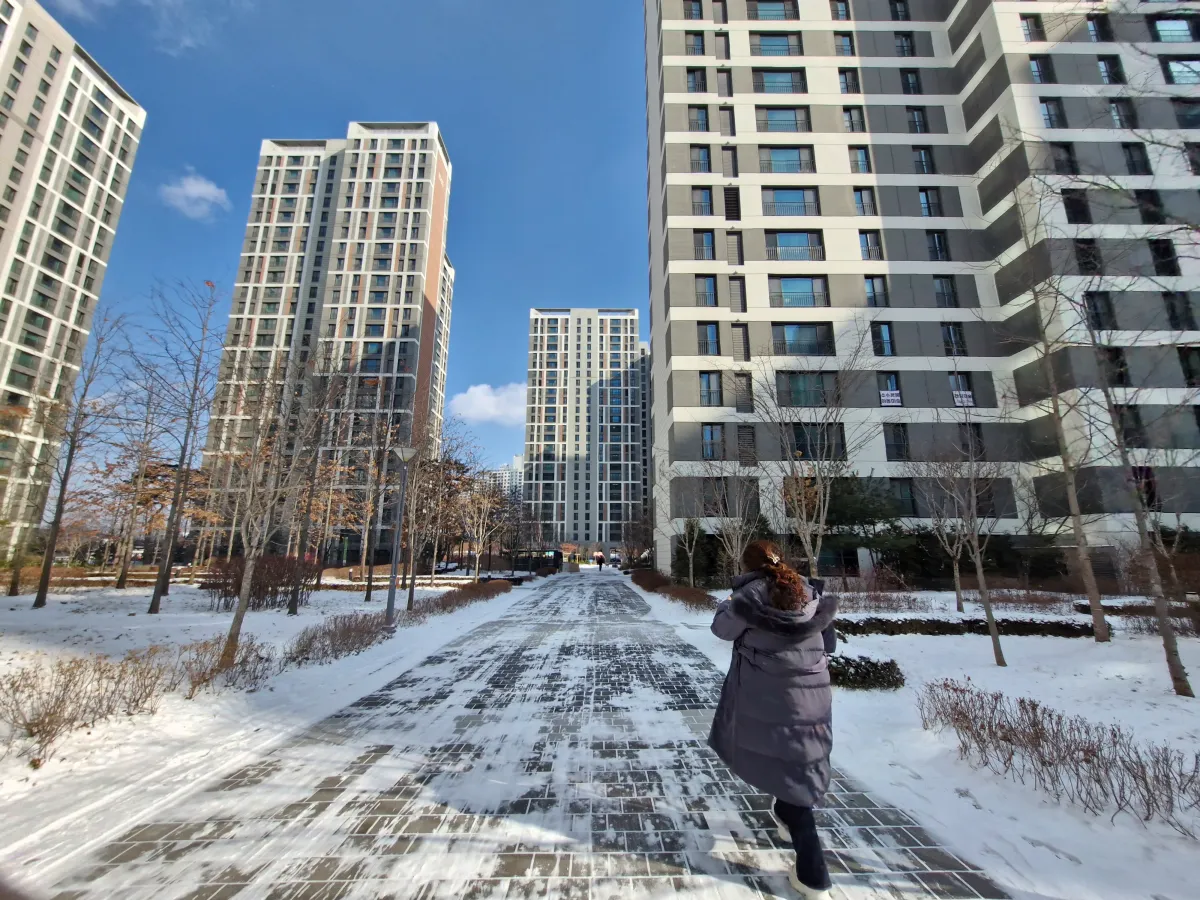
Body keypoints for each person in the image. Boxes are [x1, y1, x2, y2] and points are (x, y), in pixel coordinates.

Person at [707, 540, 838, 899]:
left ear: (748, 565)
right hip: (812, 697)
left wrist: (727, 603)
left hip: (768, 697)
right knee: (797, 765)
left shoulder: (747, 596)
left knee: (794, 780)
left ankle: (814, 875)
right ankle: (784, 810)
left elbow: (721, 629)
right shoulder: (807, 590)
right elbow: (829, 645)